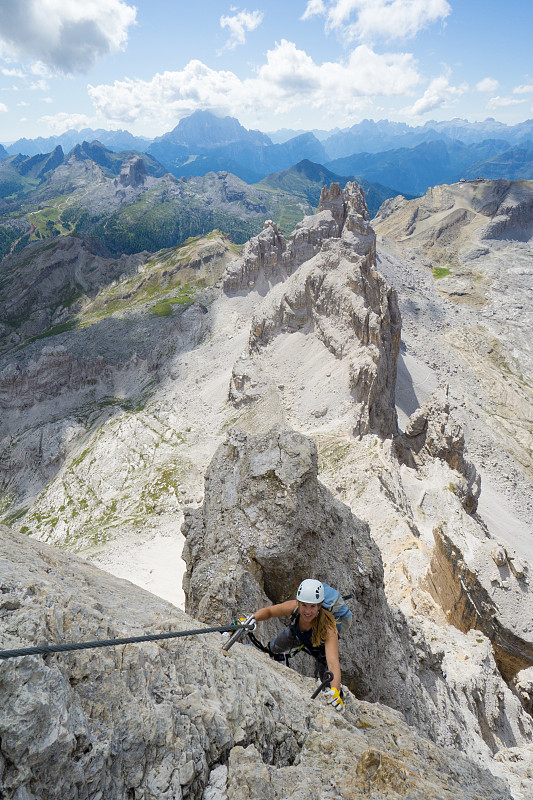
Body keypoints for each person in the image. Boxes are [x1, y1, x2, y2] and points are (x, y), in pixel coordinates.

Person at [253, 579, 346, 713]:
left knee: (327, 683)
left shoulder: (329, 628)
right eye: (304, 605)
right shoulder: (293, 607)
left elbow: (333, 663)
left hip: (320, 652)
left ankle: (338, 698)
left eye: (312, 606)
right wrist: (252, 619)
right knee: (272, 649)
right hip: (296, 635)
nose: (307, 611)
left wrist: (335, 691)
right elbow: (270, 612)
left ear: (319, 606)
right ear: (298, 603)